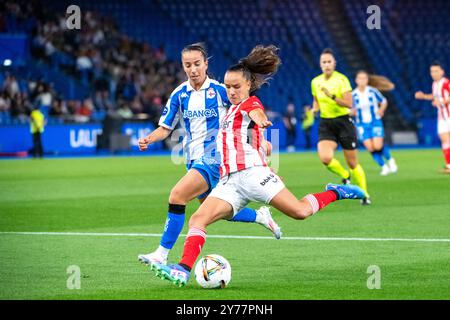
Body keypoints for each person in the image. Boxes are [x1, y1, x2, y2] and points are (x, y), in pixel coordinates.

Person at [149, 45, 366, 287]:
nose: (231, 91)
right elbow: (260, 145)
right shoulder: (228, 111)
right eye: (228, 87)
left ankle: (336, 191)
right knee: (198, 219)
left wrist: (262, 123)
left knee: (300, 212)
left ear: (248, 86)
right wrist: (264, 152)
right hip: (229, 181)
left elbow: (257, 114)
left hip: (253, 176)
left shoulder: (250, 105)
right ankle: (182, 270)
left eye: (236, 87)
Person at [137, 43, 282, 266]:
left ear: (206, 64)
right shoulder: (179, 94)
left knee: (177, 196)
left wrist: (260, 140)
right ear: (183, 67)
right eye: (188, 65)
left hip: (216, 157)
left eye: (197, 64)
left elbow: (246, 108)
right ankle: (260, 216)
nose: (193, 69)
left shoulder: (221, 89)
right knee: (216, 209)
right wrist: (149, 138)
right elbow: (166, 127)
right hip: (193, 159)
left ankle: (161, 254)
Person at [311, 48, 371, 205]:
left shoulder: (342, 80)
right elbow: (316, 99)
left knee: (352, 163)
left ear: (334, 63)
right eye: (323, 62)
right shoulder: (315, 82)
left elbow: (349, 103)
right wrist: (314, 109)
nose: (326, 64)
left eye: (329, 61)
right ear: (320, 64)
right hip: (326, 123)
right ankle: (345, 175)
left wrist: (331, 96)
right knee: (325, 158)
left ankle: (364, 194)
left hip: (344, 122)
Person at [352, 71, 398, 175]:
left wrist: (381, 110)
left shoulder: (372, 91)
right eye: (360, 78)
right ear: (356, 80)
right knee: (370, 147)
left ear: (367, 80)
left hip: (375, 121)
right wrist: (352, 112)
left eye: (364, 78)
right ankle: (384, 166)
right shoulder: (353, 94)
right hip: (361, 125)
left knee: (377, 146)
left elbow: (384, 101)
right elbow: (349, 109)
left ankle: (390, 160)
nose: (362, 80)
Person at [415, 61, 450, 174]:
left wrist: (442, 102)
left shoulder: (446, 83)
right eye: (432, 71)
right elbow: (435, 96)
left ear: (442, 72)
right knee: (445, 140)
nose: (434, 73)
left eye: (436, 71)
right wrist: (424, 96)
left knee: (446, 140)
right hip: (442, 117)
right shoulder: (435, 84)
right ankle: (449, 166)